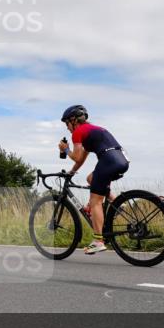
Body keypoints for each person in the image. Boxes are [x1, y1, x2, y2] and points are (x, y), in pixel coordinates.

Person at [57, 105, 129, 254]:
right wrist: (71, 172)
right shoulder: (94, 130)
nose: (67, 128)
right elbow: (81, 159)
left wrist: (65, 149)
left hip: (108, 162)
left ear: (74, 120)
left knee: (96, 201)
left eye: (67, 124)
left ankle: (98, 241)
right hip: (121, 161)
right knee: (91, 178)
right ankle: (117, 204)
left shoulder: (78, 132)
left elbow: (75, 156)